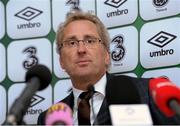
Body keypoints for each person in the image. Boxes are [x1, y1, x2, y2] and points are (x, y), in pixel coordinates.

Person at [37, 11, 179, 125]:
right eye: (72, 43)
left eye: (90, 40)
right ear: (61, 61)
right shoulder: (48, 119)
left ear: (107, 55)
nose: (81, 49)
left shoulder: (148, 93)